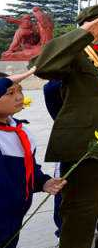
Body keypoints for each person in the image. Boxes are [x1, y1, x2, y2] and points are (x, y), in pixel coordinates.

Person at [32, 3, 98, 248]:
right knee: (81, 215)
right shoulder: (74, 54)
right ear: (89, 23)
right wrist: (83, 34)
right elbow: (43, 67)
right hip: (85, 149)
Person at [0, 69, 66, 248]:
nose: (19, 96)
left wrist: (43, 182)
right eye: (9, 93)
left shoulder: (21, 132)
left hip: (14, 216)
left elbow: (29, 168)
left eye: (20, 90)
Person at [42, 79, 64, 238]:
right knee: (64, 188)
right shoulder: (56, 85)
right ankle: (63, 230)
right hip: (70, 142)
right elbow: (50, 89)